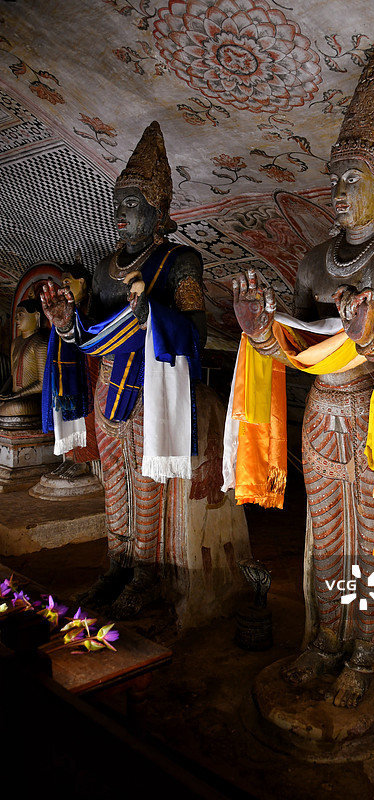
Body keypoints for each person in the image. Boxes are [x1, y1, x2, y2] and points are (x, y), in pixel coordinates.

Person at [231, 56, 374, 708]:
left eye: (352, 177)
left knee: (371, 548)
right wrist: (261, 334)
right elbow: (300, 343)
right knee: (323, 539)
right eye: (333, 178)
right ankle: (322, 640)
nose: (337, 190)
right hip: (321, 417)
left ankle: (365, 651)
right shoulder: (310, 260)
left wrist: (373, 340)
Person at [41, 120, 206, 619]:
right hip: (108, 383)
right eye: (118, 202)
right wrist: (66, 323)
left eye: (133, 204)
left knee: (146, 473)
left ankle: (147, 570)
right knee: (113, 473)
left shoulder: (180, 262)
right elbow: (91, 336)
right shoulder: (102, 267)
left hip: (153, 382)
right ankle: (117, 562)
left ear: (158, 214)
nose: (121, 213)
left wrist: (151, 316)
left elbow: (196, 333)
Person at [0, 298, 49, 425]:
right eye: (16, 316)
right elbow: (12, 375)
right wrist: (3, 393)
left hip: (31, 399)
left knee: (15, 407)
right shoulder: (15, 343)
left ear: (36, 316)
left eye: (21, 315)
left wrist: (17, 396)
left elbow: (43, 384)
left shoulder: (40, 342)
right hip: (15, 396)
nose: (16, 319)